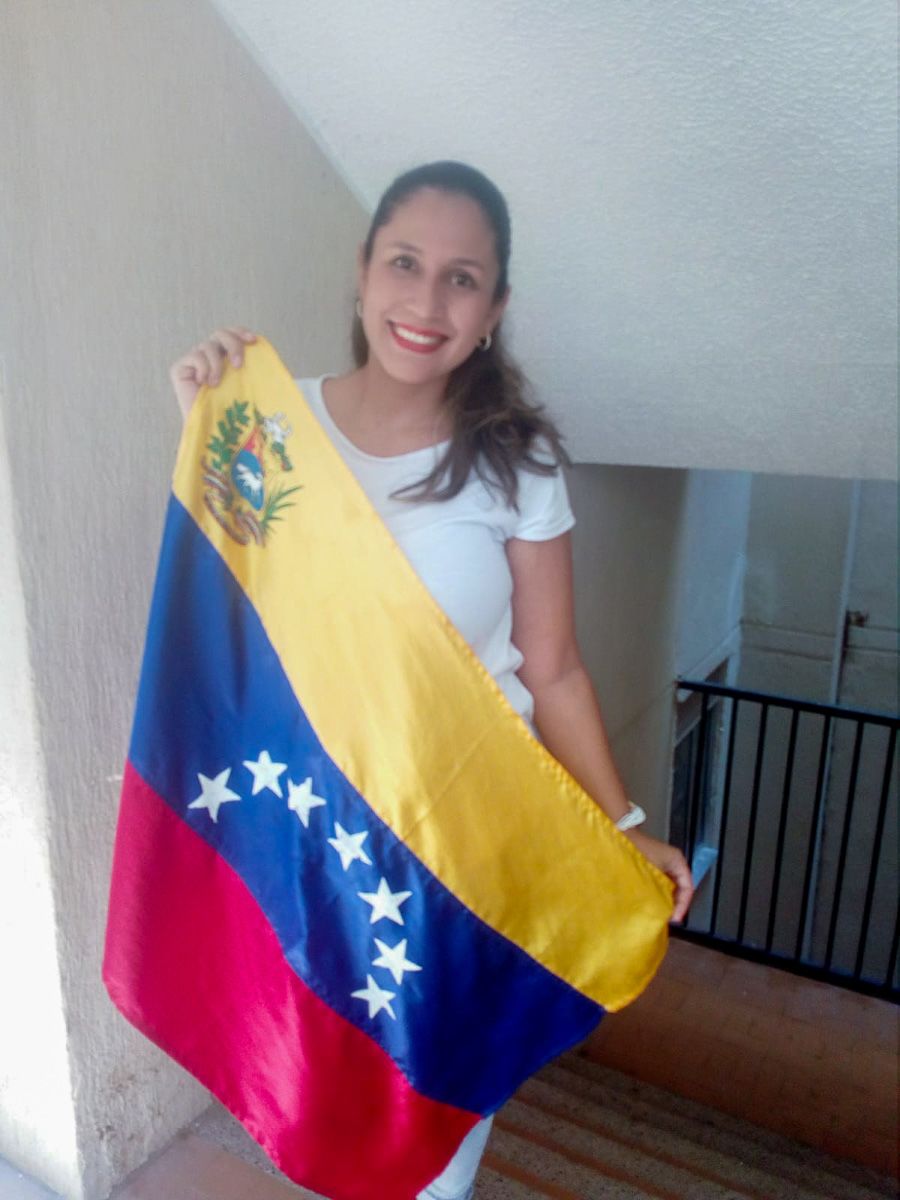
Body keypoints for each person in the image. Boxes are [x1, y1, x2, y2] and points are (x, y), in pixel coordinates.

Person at [169, 160, 693, 1200]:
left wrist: (622, 822)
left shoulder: (517, 461)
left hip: (461, 856)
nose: (426, 300)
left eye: (463, 278)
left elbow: (554, 668)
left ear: (494, 309)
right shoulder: (270, 428)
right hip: (319, 836)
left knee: (433, 1139)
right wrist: (199, 422)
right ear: (363, 272)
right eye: (405, 263)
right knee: (317, 1111)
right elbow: (229, 626)